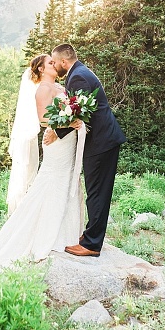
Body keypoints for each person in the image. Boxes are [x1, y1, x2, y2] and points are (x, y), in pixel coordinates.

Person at [0, 54, 85, 272]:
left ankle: (67, 233)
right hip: (56, 140)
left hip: (69, 140)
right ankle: (42, 234)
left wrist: (75, 117)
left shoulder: (60, 86)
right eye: (49, 63)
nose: (54, 64)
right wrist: (69, 121)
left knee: (68, 180)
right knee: (53, 181)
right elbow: (43, 119)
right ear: (40, 69)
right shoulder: (42, 89)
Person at [47, 43, 126, 258]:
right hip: (102, 141)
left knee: (97, 193)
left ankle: (92, 244)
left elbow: (78, 113)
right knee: (96, 191)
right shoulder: (79, 72)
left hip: (101, 142)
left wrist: (56, 131)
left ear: (64, 61)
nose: (54, 65)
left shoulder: (78, 77)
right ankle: (91, 235)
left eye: (55, 61)